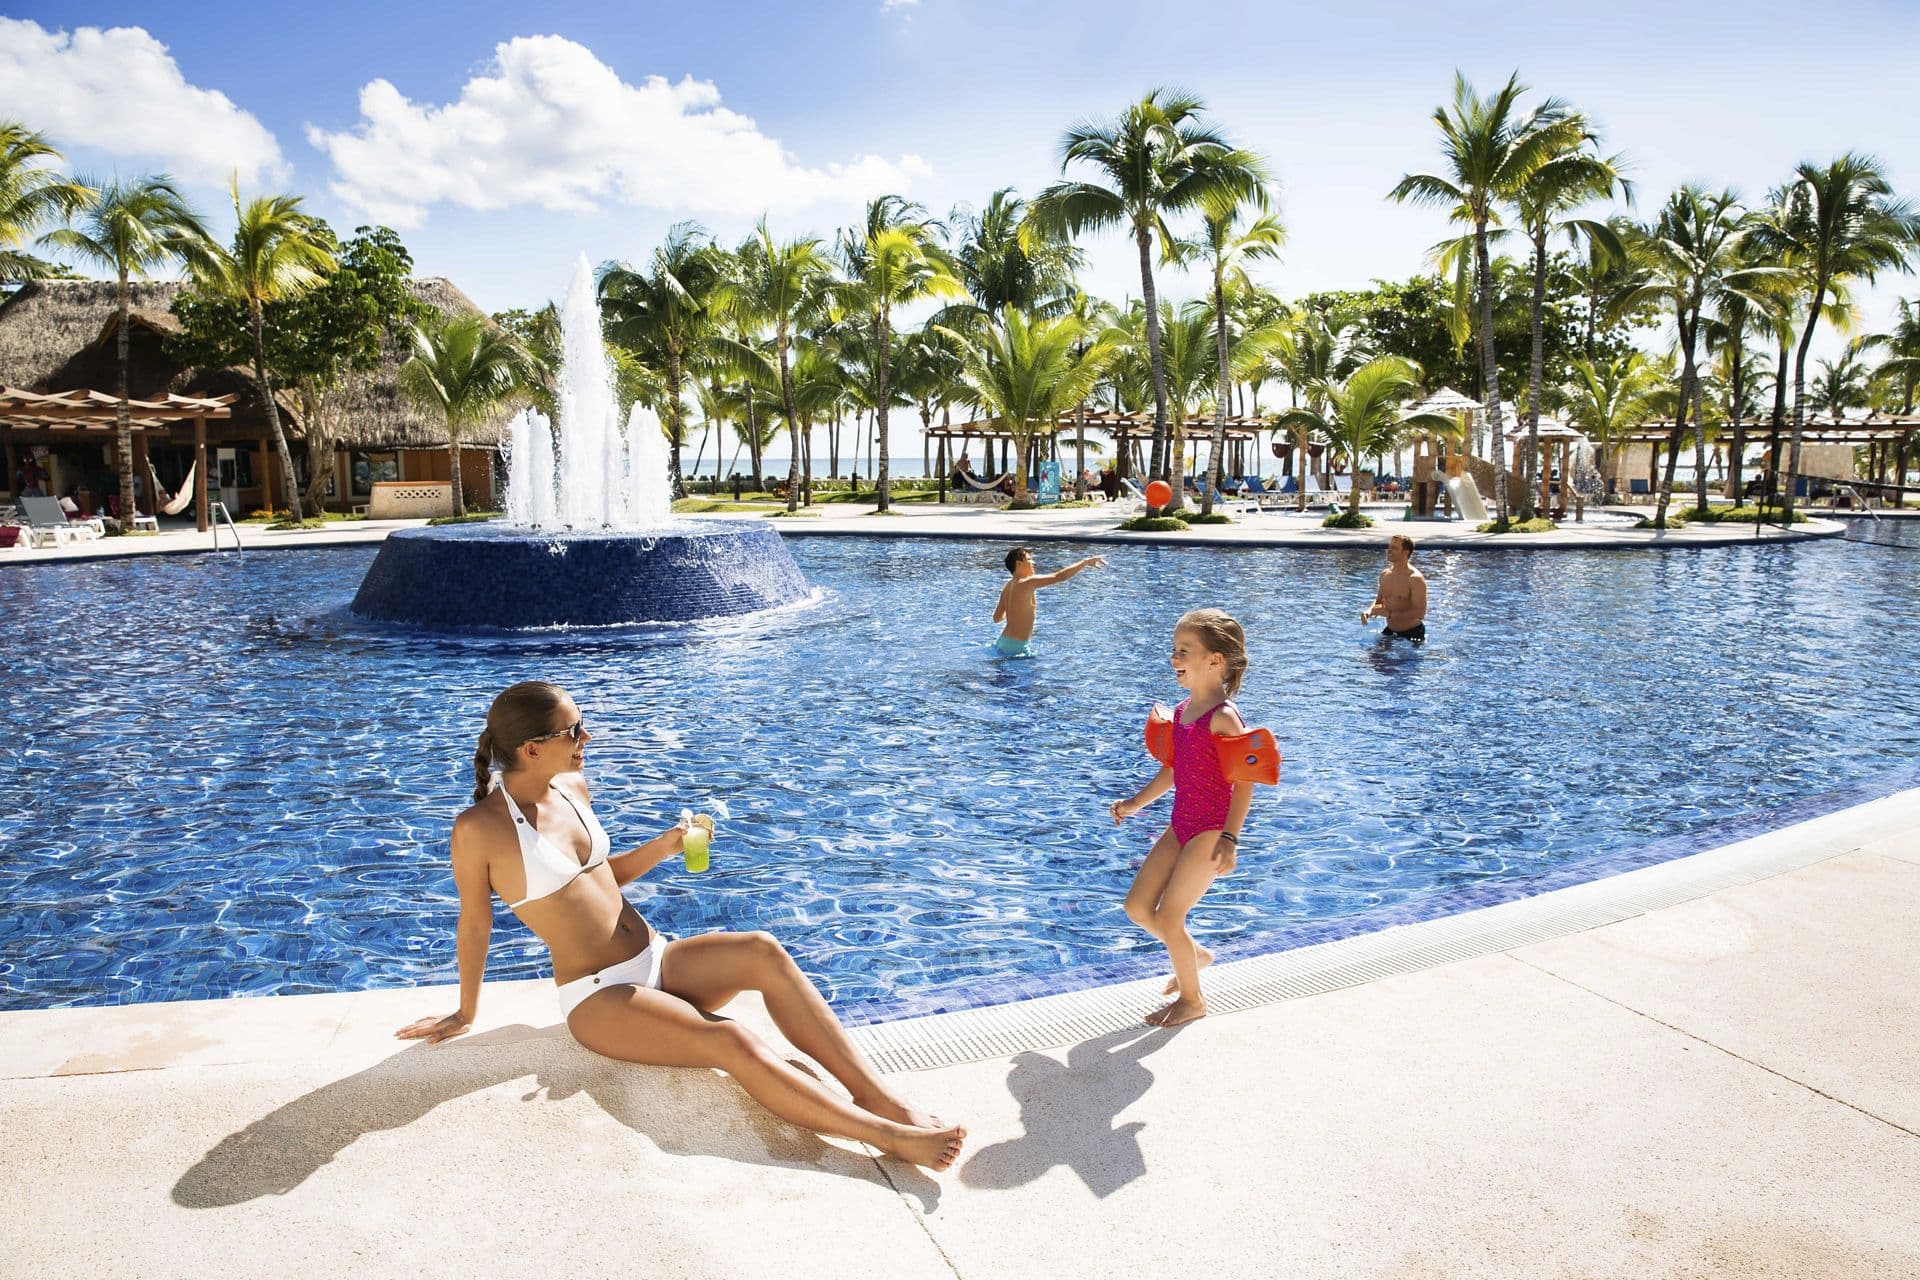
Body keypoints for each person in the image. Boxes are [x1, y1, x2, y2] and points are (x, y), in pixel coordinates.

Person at [399, 681, 965, 1171]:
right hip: (601, 997)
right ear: (531, 748)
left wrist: (667, 846)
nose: (587, 738)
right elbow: (475, 924)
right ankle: (890, 1138)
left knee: (762, 951)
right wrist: (466, 1011)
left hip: (658, 960)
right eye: (575, 731)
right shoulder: (480, 830)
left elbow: (596, 879)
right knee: (729, 1039)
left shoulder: (572, 787)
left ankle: (879, 1098)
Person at [1110, 609, 1258, 1027]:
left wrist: (1230, 837)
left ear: (1215, 660)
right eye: (1174, 650)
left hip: (1210, 830)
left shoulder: (1224, 718)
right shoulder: (1181, 712)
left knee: (1171, 917)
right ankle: (1196, 955)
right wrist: (1134, 804)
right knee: (1138, 908)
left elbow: (1245, 781)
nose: (1174, 657)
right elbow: (1173, 771)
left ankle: (1193, 1000)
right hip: (1181, 824)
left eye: (1184, 650)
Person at [991, 546, 1105, 657]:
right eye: (1029, 560)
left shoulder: (1007, 586)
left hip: (1002, 642)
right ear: (1019, 563)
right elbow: (1059, 577)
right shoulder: (1027, 582)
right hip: (1017, 647)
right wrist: (1085, 562)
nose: (1033, 563)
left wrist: (1015, 612)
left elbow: (997, 618)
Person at [1360, 534, 1428, 643]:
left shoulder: (1415, 579)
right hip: (1390, 631)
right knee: (1373, 658)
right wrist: (1369, 611)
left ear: (1406, 552)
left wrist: (1390, 614)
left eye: (1394, 548)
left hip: (1412, 634)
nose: (1389, 550)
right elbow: (1379, 600)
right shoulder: (1385, 574)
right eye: (1390, 546)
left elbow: (1420, 613)